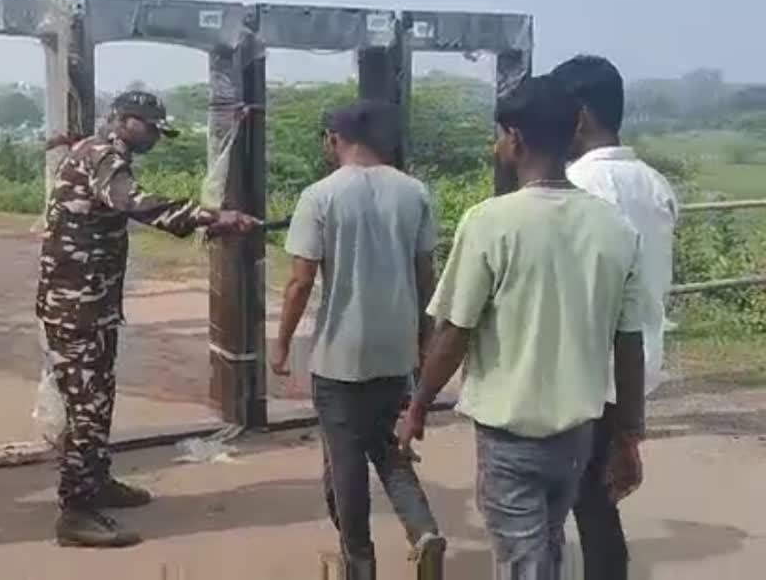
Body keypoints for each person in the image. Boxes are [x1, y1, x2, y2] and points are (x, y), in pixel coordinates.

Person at [398, 75, 647, 579]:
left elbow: (454, 332)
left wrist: (419, 405)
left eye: (500, 135)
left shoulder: (491, 222)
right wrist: (627, 436)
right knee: (546, 544)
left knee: (523, 561)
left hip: (510, 437)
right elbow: (629, 343)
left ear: (515, 139)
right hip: (577, 432)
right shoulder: (615, 227)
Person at [37, 90, 258, 548]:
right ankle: (76, 513)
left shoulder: (97, 151)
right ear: (124, 120)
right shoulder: (102, 157)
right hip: (76, 307)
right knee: (86, 409)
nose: (157, 137)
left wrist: (202, 222)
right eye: (152, 128)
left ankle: (96, 482)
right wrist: (210, 215)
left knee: (98, 399)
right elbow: (132, 201)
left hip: (89, 303)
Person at [272, 101, 445, 580]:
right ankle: (423, 529)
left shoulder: (320, 196)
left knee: (345, 461)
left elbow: (301, 281)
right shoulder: (414, 193)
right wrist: (425, 342)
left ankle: (361, 565)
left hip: (339, 354)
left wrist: (282, 345)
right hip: (396, 352)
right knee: (390, 449)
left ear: (333, 139)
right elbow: (425, 276)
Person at [553, 55, 678, 580]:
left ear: (578, 116)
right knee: (596, 497)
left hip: (587, 364)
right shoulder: (654, 184)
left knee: (573, 499)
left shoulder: (575, 184)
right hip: (637, 361)